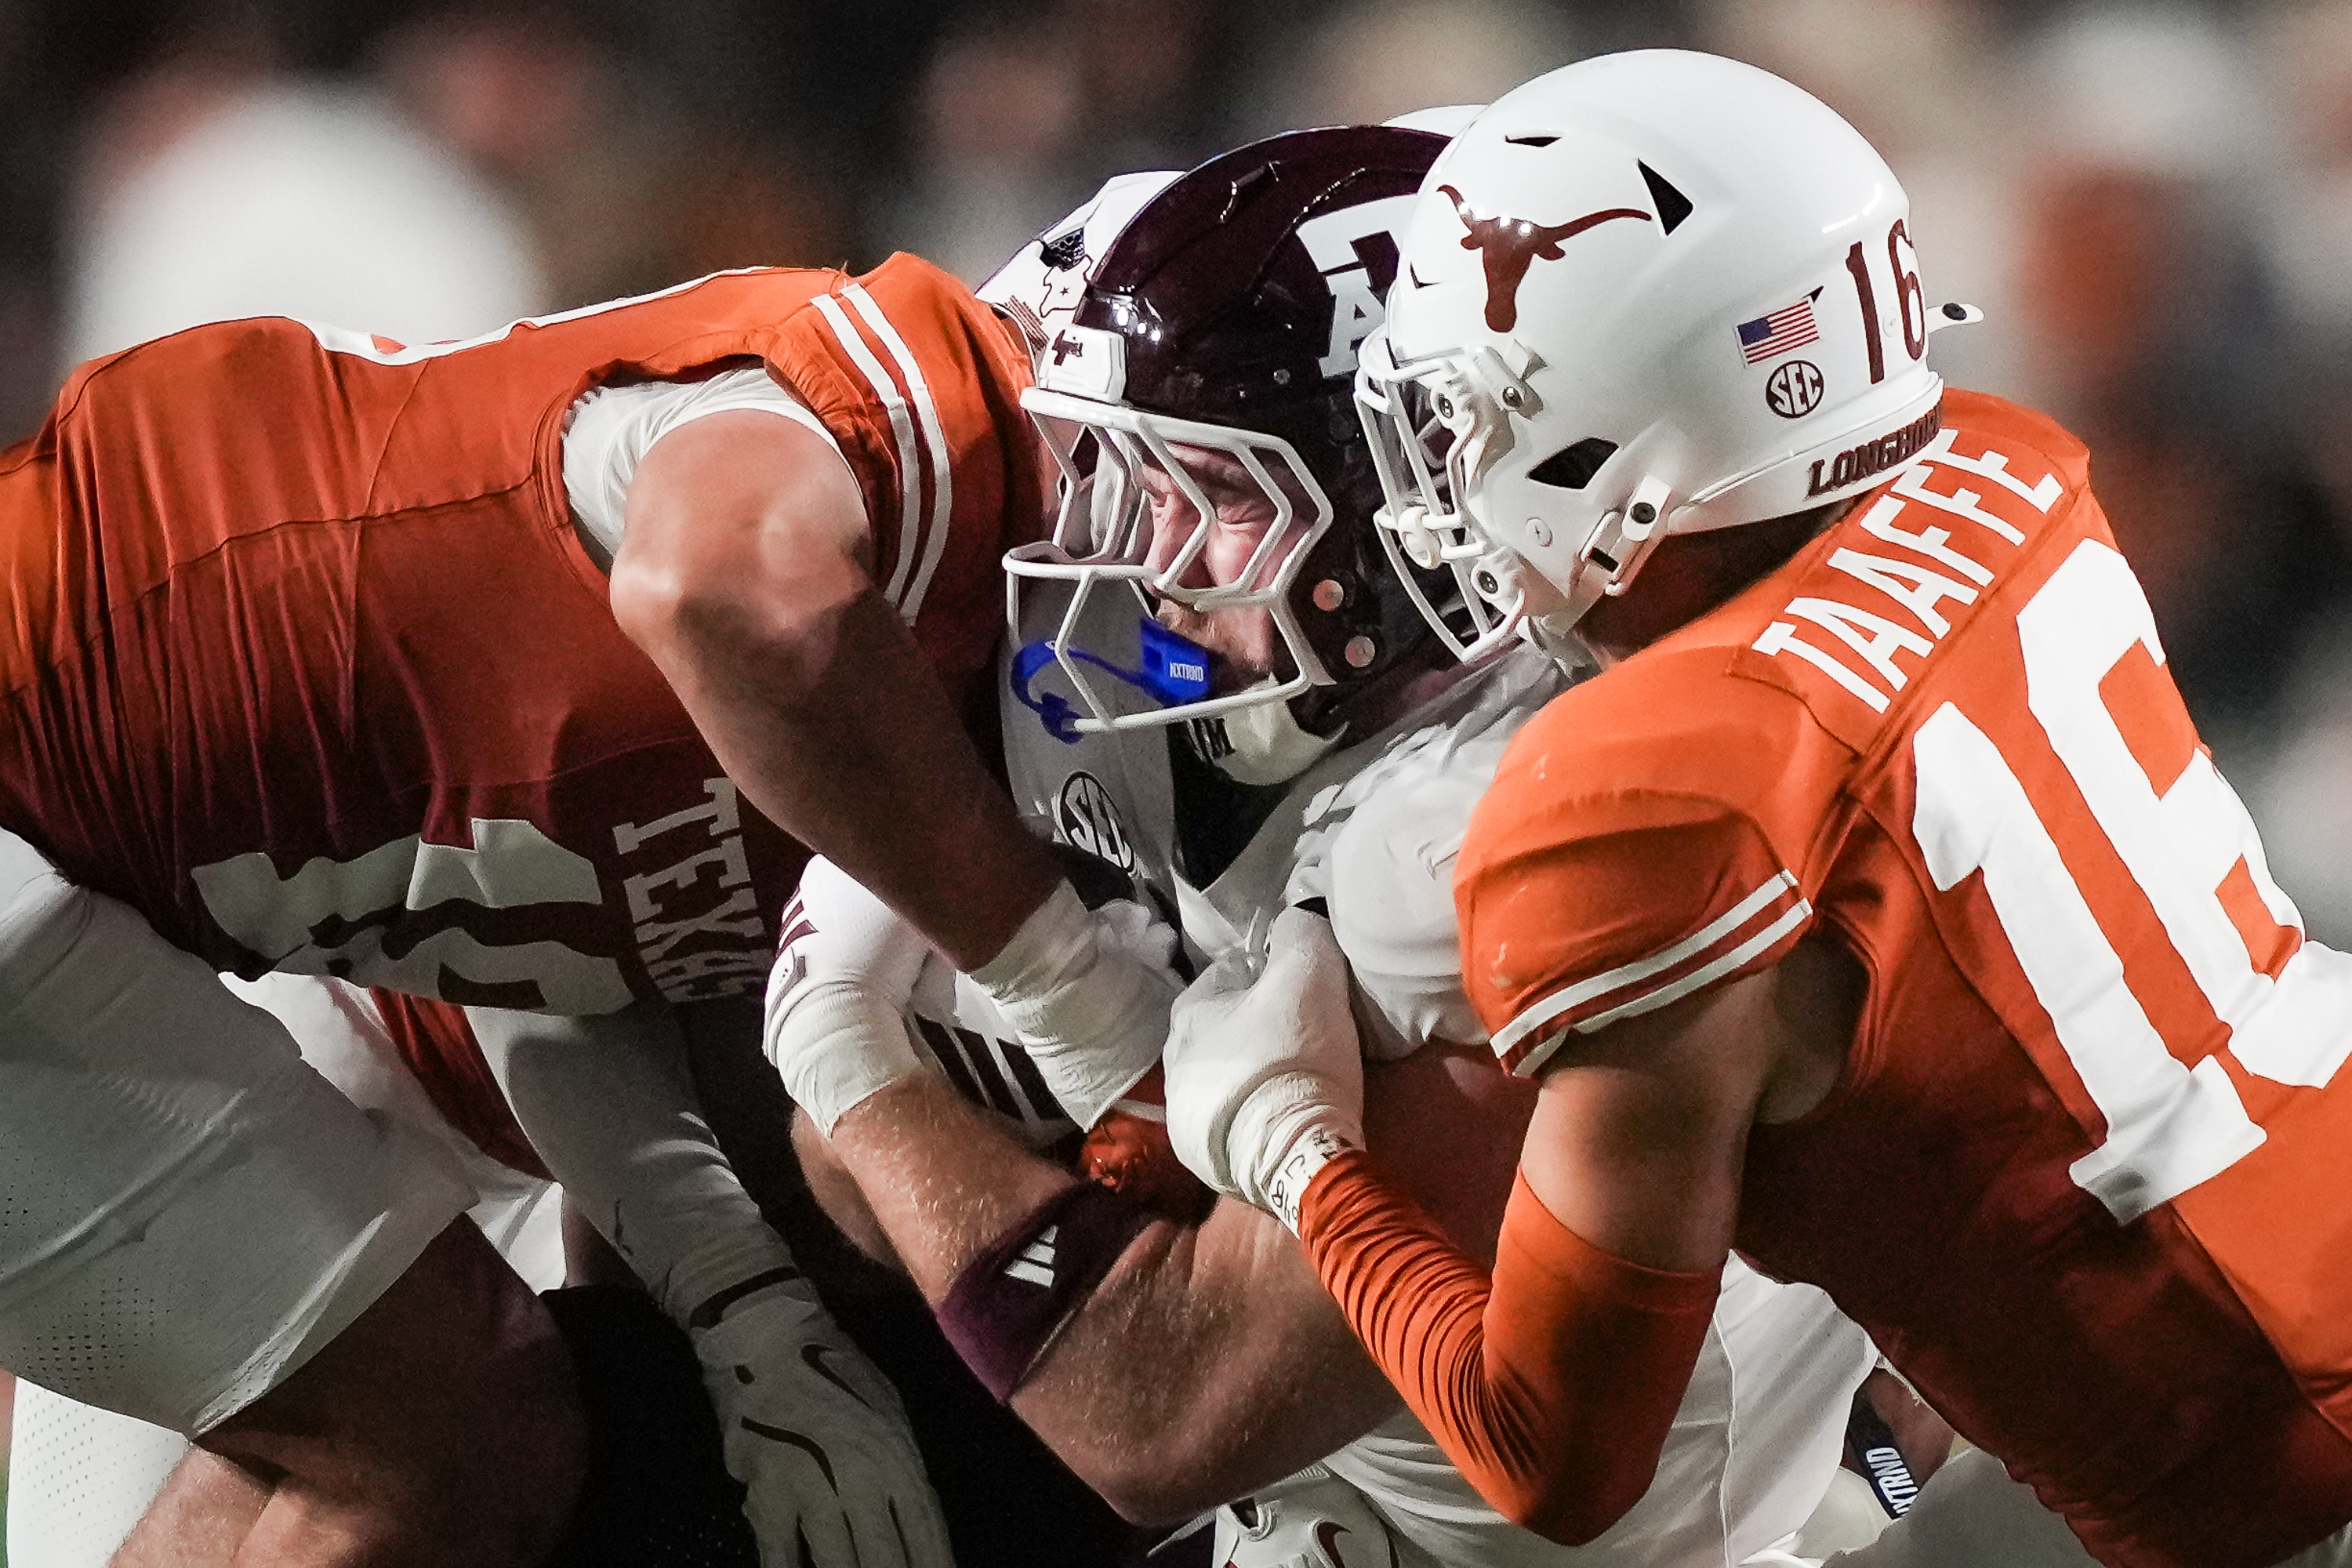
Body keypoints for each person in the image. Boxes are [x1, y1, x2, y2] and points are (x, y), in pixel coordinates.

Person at [1152, 50, 2352, 1568]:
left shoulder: (1642, 807)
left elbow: (1555, 1457)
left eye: (1459, 417)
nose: (1439, 474)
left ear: (1621, 442)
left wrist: (1301, 1153)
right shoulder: (2002, 457)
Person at [768, 125, 1933, 1568]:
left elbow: (1155, 1413)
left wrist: (854, 1057)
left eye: (1223, 497)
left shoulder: (1524, 829)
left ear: (1416, 493)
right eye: (1138, 479)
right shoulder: (1260, 700)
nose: (1152, 559)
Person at [0, 247, 1177, 1564]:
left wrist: (741, 1303)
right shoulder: (896, 457)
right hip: (293, 1005)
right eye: (1219, 477)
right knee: (453, 1444)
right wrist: (1076, 993)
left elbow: (564, 952)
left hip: (370, 1048)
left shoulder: (1037, 714)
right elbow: (715, 586)